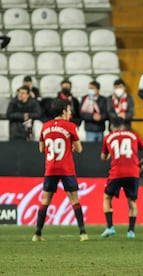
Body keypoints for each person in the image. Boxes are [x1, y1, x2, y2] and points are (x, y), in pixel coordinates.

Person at [32, 99, 88, 242]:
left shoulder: (45, 127)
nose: (70, 113)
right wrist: (72, 147)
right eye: (69, 110)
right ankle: (83, 233)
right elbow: (79, 149)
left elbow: (41, 149)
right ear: (63, 111)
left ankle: (37, 234)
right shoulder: (70, 126)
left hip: (51, 168)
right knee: (74, 199)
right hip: (66, 168)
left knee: (45, 200)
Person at [100, 117, 143, 239]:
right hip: (133, 172)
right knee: (132, 201)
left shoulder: (108, 137)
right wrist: (141, 163)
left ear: (112, 127)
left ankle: (110, 227)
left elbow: (103, 157)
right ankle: (131, 231)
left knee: (107, 197)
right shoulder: (133, 135)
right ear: (123, 126)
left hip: (116, 172)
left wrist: (109, 154)